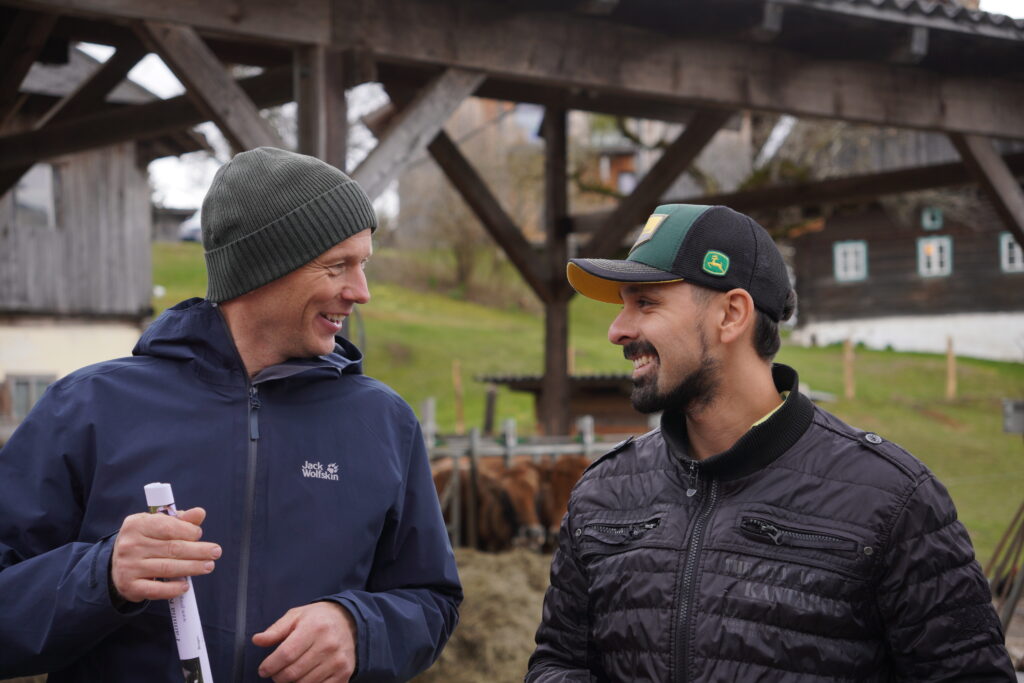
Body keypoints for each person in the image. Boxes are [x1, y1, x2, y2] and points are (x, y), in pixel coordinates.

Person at [0, 147, 462, 682]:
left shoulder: (384, 422)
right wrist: (102, 575)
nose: (361, 291)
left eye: (363, 264)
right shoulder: (86, 409)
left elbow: (432, 601)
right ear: (262, 268)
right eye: (338, 265)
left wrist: (359, 628)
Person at [527, 204, 1014, 681]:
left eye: (646, 303)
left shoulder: (894, 502)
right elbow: (557, 663)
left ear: (732, 314)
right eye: (622, 306)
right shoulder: (602, 494)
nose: (618, 330)